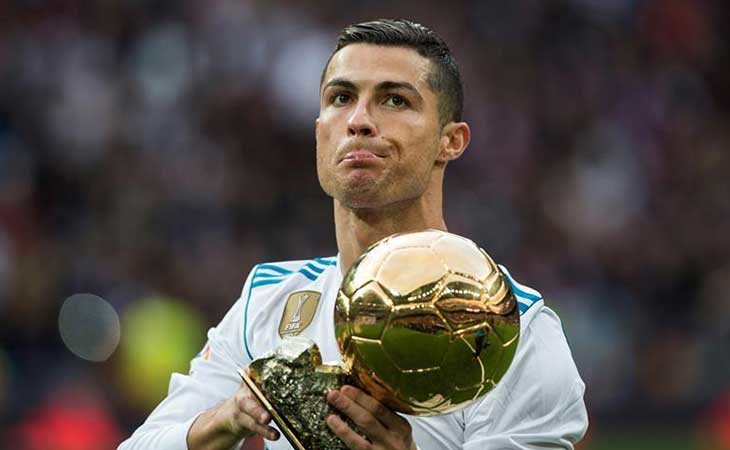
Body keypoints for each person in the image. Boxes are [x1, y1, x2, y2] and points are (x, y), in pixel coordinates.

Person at [118, 19, 588, 450]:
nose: (359, 120)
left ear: (452, 140)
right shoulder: (268, 300)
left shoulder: (513, 331)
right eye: (341, 98)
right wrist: (226, 418)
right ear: (320, 131)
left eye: (395, 100)